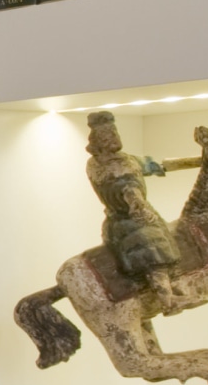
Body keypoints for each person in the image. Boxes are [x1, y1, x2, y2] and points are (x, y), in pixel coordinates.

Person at [85, 111, 198, 312]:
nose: (113, 138)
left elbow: (158, 165)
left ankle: (177, 288)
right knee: (152, 251)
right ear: (97, 141)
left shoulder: (125, 159)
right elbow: (126, 189)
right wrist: (138, 204)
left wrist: (199, 161)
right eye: (107, 136)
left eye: (114, 134)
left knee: (170, 243)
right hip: (128, 220)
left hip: (143, 215)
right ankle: (169, 302)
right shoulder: (101, 166)